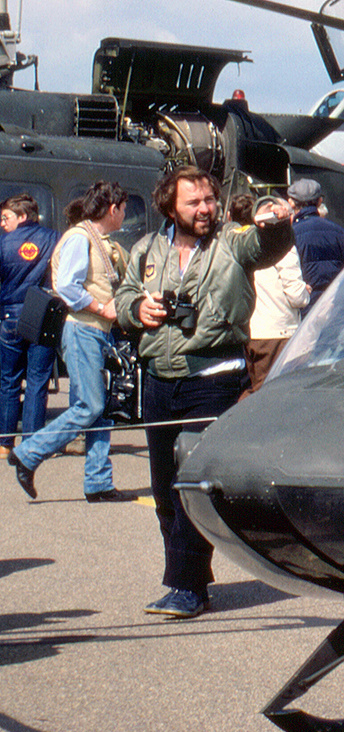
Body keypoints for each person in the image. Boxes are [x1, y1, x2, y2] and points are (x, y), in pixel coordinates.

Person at [115, 166, 294, 619]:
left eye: (210, 200)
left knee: (189, 485)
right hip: (159, 379)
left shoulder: (232, 242)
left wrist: (275, 219)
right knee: (162, 489)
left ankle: (184, 585)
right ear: (169, 205)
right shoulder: (147, 249)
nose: (205, 209)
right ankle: (189, 578)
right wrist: (139, 307)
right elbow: (123, 300)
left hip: (212, 377)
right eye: (193, 202)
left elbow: (267, 244)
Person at [9, 183, 130, 502]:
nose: (125, 215)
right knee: (90, 405)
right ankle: (29, 453)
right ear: (112, 208)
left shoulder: (96, 239)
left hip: (96, 331)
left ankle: (98, 482)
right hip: (83, 330)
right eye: (124, 208)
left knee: (99, 408)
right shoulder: (80, 238)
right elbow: (68, 286)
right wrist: (103, 307)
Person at [228, 194, 308, 394]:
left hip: (248, 332)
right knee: (272, 394)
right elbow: (295, 295)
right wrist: (306, 293)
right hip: (277, 332)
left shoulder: (234, 244)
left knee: (254, 389)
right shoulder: (281, 245)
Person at [0, 196, 58, 461]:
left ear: (22, 217)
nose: (2, 224)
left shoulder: (3, 243)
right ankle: (32, 444)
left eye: (6, 218)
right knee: (37, 380)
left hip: (10, 315)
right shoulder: (54, 238)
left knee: (8, 380)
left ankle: (4, 443)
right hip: (43, 314)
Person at [288, 178, 344, 302]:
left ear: (291, 203)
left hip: (306, 309)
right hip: (335, 305)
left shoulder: (290, 235)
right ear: (320, 201)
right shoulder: (339, 232)